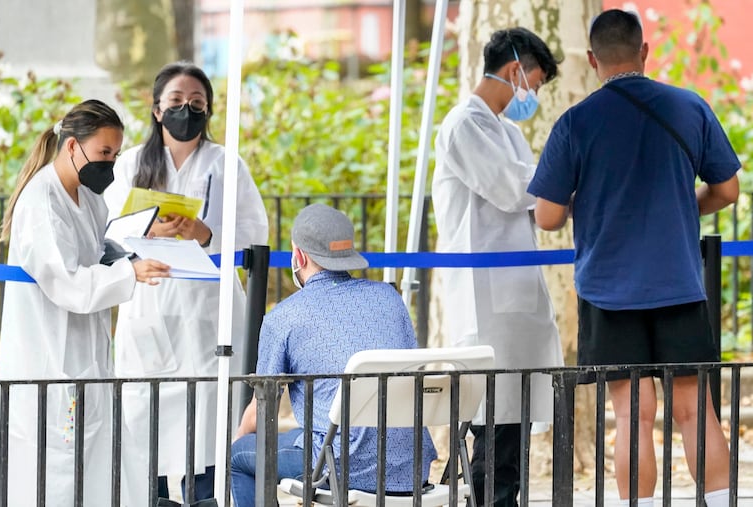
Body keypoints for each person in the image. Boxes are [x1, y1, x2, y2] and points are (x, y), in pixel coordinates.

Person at [528, 9, 740, 507]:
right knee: (695, 411)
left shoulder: (576, 122)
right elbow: (727, 189)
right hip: (680, 285)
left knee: (632, 415)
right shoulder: (690, 107)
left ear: (591, 59)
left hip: (607, 290)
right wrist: (685, 207)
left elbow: (549, 217)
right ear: (644, 52)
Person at [103, 62, 269, 503]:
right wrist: (146, 229)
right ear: (157, 109)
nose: (186, 111)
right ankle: (152, 495)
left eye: (196, 104)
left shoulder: (225, 163)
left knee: (208, 421)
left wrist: (205, 233)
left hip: (206, 310)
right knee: (147, 418)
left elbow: (256, 232)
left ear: (209, 110)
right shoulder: (132, 163)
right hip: (150, 305)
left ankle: (206, 496)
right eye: (176, 102)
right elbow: (107, 231)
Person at [0, 100, 170, 506]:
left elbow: (96, 248)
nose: (109, 163)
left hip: (85, 358)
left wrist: (133, 249)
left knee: (93, 463)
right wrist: (130, 273)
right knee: (53, 470)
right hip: (50, 358)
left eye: (115, 154)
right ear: (73, 147)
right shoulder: (42, 202)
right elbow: (66, 281)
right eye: (104, 153)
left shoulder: (87, 196)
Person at [431, 28, 564, 507]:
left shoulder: (508, 131)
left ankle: (502, 496)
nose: (534, 95)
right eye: (536, 83)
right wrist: (566, 175)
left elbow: (538, 204)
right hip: (484, 296)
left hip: (518, 294)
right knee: (493, 415)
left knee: (515, 416)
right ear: (515, 71)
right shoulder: (463, 125)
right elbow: (514, 189)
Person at [230, 203, 437, 507]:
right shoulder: (389, 298)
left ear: (298, 256)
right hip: (410, 465)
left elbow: (263, 411)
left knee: (238, 458)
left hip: (338, 466)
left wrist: (238, 441)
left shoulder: (284, 316)